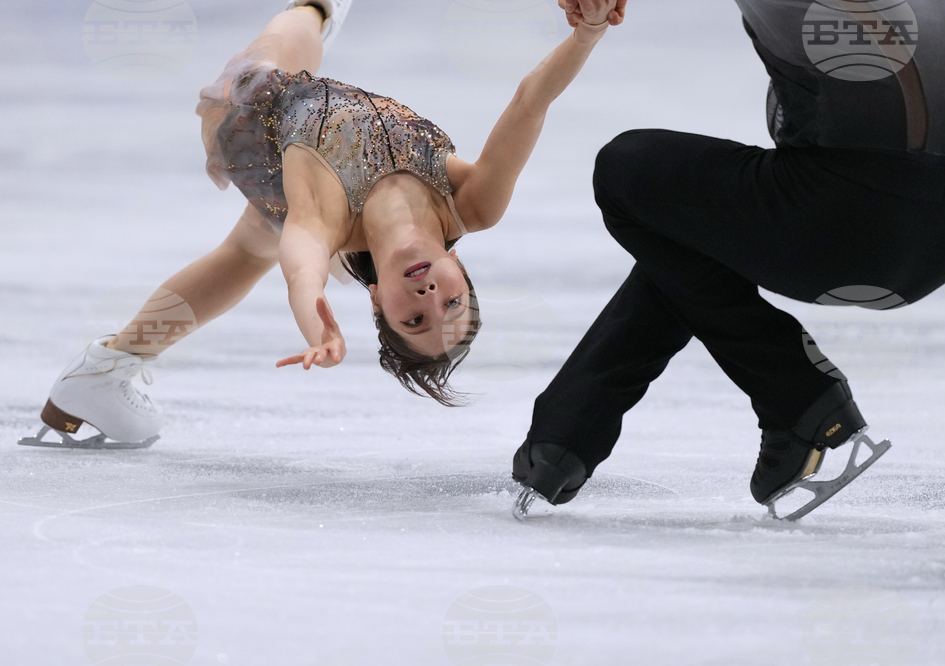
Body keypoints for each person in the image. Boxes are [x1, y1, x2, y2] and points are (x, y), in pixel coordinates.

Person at [19, 0, 627, 449]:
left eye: (413, 319)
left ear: (376, 301)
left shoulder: (328, 218)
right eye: (451, 303)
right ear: (458, 268)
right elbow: (529, 104)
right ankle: (106, 369)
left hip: (250, 116)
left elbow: (303, 267)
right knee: (244, 251)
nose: (428, 298)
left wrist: (319, 331)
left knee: (303, 25)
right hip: (306, 132)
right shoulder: (472, 203)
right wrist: (590, 33)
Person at [512, 0, 945, 519]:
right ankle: (564, 438)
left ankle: (798, 393)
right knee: (696, 235)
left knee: (626, 173)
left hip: (846, 228)